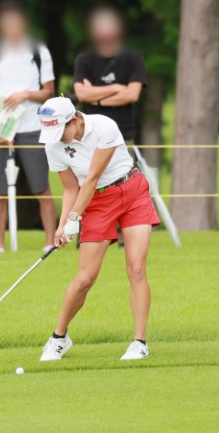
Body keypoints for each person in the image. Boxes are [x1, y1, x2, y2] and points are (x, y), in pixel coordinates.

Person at [36, 97, 159, 362]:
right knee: (85, 278)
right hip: (97, 203)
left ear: (74, 120)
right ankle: (59, 337)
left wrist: (74, 217)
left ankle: (139, 342)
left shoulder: (104, 126)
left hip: (132, 192)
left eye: (61, 132)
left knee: (136, 268)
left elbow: (91, 177)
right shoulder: (53, 146)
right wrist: (62, 225)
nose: (58, 139)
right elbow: (71, 189)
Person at [0, 0, 57, 254]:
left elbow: (49, 92)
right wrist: (0, 129)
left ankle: (50, 242)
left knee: (41, 188)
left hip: (33, 128)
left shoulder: (38, 51)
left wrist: (25, 94)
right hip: (2, 130)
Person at [73, 5, 147, 142]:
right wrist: (116, 88)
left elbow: (132, 95)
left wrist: (97, 100)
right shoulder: (83, 59)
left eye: (109, 29)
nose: (106, 35)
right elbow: (81, 94)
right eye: (101, 29)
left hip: (123, 136)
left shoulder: (134, 58)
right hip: (91, 136)